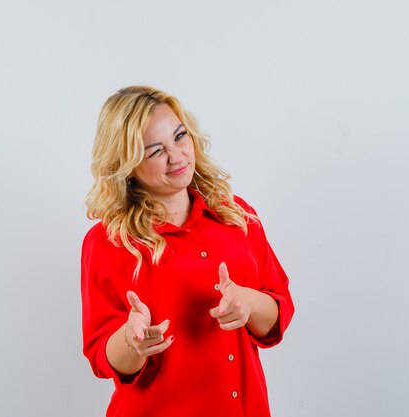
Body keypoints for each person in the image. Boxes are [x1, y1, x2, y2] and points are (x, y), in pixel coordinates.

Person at [81, 86, 294, 417]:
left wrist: (249, 303)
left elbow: (279, 312)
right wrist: (132, 340)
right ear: (127, 165)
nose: (177, 155)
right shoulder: (108, 242)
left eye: (180, 137)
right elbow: (101, 355)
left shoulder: (238, 215)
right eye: (155, 151)